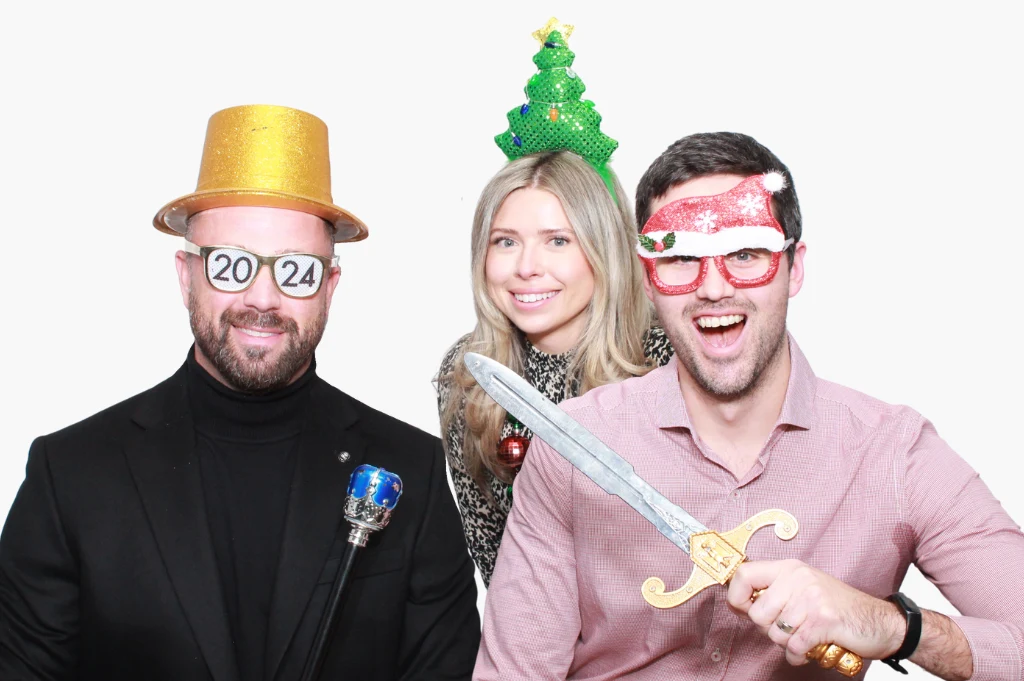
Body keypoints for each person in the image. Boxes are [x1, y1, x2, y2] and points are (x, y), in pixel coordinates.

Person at [475, 131, 1024, 679]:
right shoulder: (572, 448)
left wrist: (893, 625)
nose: (714, 289)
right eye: (681, 258)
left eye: (744, 254)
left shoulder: (894, 453)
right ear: (648, 279)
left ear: (794, 267)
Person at [0, 104, 480, 681]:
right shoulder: (70, 474)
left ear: (329, 286)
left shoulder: (411, 470)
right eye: (231, 265)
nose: (262, 298)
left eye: (296, 270)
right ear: (186, 275)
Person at [435, 19, 673, 586]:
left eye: (558, 241)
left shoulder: (665, 359)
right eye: (505, 241)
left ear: (604, 248)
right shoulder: (468, 374)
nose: (526, 267)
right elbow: (494, 561)